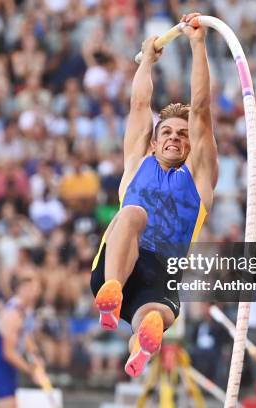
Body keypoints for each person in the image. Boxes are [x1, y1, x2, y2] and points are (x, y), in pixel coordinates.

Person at [90, 13, 218, 378]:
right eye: (168, 132)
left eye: (183, 133)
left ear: (193, 143)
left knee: (151, 322)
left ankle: (139, 352)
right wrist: (146, 60)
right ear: (155, 139)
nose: (175, 137)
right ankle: (112, 296)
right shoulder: (136, 163)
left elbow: (203, 111)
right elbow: (139, 106)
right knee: (133, 213)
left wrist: (197, 44)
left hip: (161, 274)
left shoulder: (199, 178)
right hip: (119, 259)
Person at [0, 272, 45, 408]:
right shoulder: (12, 314)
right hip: (3, 369)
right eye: (33, 289)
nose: (37, 293)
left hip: (10, 370)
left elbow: (25, 337)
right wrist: (31, 371)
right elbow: (7, 353)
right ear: (22, 289)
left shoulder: (25, 311)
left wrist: (36, 357)